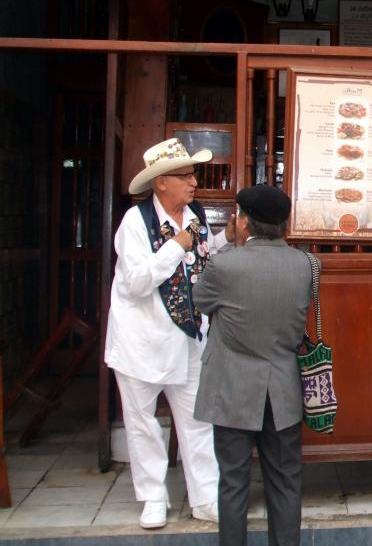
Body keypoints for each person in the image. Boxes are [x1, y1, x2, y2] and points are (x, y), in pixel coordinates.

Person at [104, 138, 233, 529]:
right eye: (185, 175)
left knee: (198, 422)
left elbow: (203, 255)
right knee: (142, 424)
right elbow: (137, 282)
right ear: (161, 182)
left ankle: (205, 499)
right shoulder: (135, 222)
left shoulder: (194, 214)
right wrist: (175, 246)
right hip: (141, 342)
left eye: (192, 175)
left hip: (189, 340)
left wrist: (225, 239)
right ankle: (153, 497)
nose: (194, 182)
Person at [194, 185, 313, 546]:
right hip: (283, 390)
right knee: (286, 481)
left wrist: (230, 245)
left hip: (232, 389)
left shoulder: (225, 264)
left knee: (233, 482)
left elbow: (201, 300)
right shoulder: (306, 264)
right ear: (284, 224)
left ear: (244, 222)